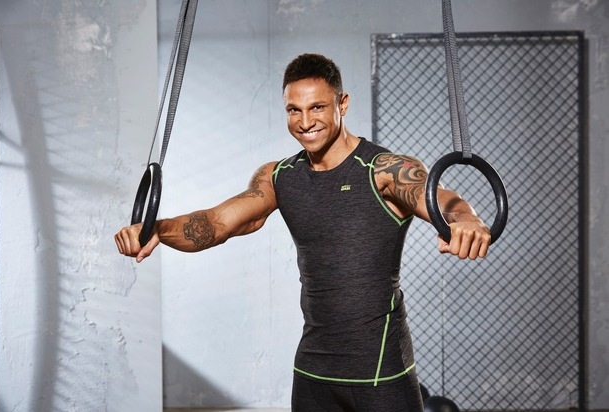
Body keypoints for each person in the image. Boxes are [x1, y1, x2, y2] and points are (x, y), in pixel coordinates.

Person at [115, 53, 491, 412]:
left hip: (380, 370)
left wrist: (466, 221)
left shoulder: (384, 170)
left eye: (317, 107)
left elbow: (444, 200)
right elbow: (216, 224)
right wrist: (156, 229)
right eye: (294, 110)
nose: (305, 121)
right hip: (314, 369)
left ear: (342, 103)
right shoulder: (280, 177)